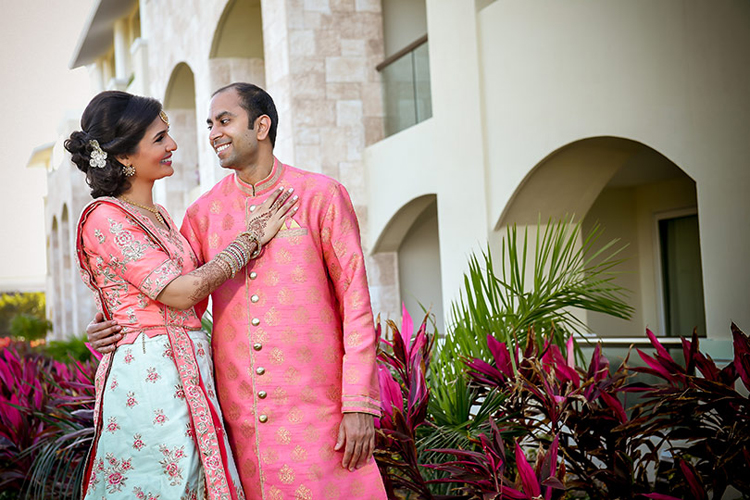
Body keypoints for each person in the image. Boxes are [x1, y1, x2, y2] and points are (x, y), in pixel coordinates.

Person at [87, 83, 387, 499]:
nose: (212, 133)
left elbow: (356, 304)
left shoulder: (321, 196)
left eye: (224, 121)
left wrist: (358, 403)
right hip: (241, 418)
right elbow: (176, 299)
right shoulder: (201, 214)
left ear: (261, 126)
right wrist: (110, 323)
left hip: (321, 411)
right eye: (210, 124)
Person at [67, 90, 298, 499]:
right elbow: (181, 292)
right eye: (159, 139)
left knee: (195, 481)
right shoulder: (104, 216)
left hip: (186, 368)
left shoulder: (160, 217)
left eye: (167, 135)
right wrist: (253, 238)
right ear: (123, 157)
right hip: (149, 378)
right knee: (159, 483)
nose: (173, 145)